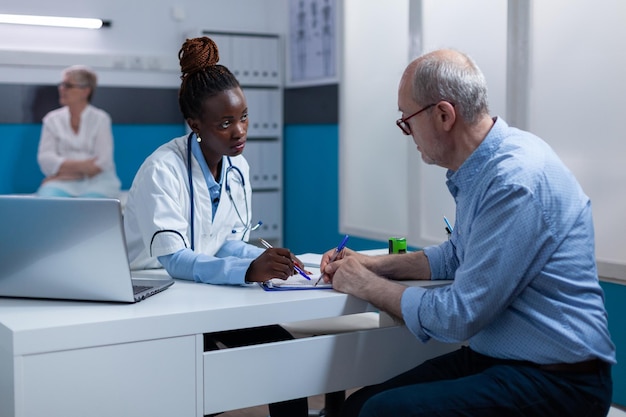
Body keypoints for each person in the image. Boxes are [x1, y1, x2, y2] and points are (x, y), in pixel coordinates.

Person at [319, 49, 616, 417]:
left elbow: (460, 315)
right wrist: (371, 265)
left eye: (406, 120)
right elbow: (457, 255)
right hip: (504, 361)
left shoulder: (513, 180)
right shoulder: (484, 165)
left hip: (562, 382)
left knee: (382, 412)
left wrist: (366, 285)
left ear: (444, 115)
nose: (407, 133)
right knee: (358, 407)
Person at [123, 36, 308, 417]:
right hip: (150, 293)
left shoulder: (237, 167)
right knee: (200, 378)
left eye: (243, 117)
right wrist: (247, 269)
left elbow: (222, 241)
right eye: (225, 123)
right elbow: (174, 259)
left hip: (200, 292)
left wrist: (264, 258)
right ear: (195, 124)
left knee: (284, 355)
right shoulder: (162, 170)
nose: (239, 131)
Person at [36, 65, 121, 198]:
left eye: (68, 85)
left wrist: (62, 174)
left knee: (87, 205)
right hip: (61, 183)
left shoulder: (100, 119)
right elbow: (46, 159)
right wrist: (85, 165)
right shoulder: (52, 119)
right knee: (47, 197)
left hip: (98, 182)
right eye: (62, 84)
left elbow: (103, 162)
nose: (62, 89)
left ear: (85, 91)